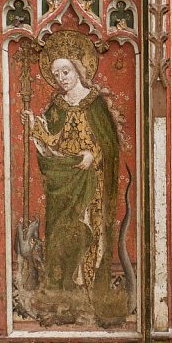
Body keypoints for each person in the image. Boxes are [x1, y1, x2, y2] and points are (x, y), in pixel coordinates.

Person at [22, 30, 123, 322]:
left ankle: (89, 298)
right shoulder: (57, 106)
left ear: (78, 69)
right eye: (56, 75)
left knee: (88, 235)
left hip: (92, 184)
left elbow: (110, 144)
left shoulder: (95, 103)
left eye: (65, 72)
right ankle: (63, 299)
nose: (61, 79)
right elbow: (52, 141)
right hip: (64, 182)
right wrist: (35, 124)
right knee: (61, 236)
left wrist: (93, 155)